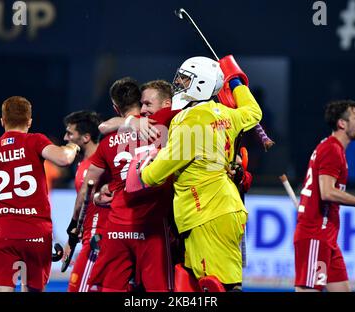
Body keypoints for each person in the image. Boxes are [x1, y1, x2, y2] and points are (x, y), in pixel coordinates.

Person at [139, 56, 262, 291]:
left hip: (207, 212)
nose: (178, 84)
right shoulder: (226, 114)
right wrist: (236, 83)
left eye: (185, 79)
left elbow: (154, 174)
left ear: (202, 83)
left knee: (216, 287)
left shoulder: (190, 121)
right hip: (222, 208)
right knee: (200, 283)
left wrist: (141, 170)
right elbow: (253, 112)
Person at [69, 77, 178, 292]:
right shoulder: (161, 125)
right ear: (140, 101)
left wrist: (97, 198)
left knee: (111, 288)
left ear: (115, 107)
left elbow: (87, 187)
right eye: (144, 104)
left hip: (118, 227)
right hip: (152, 226)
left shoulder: (107, 141)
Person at [0, 96, 80, 292]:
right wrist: (72, 146)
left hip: (3, 234)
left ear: (2, 121)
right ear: (29, 122)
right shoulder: (35, 140)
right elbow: (64, 159)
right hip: (37, 233)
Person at [293, 100, 355, 292]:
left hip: (328, 238)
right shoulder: (332, 149)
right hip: (316, 234)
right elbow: (328, 192)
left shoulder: (333, 148)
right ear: (342, 123)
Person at [61, 110, 111, 292]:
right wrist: (72, 238)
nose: (65, 138)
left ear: (86, 137)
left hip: (100, 237)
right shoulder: (81, 163)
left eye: (70, 133)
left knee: (77, 289)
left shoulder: (104, 161)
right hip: (88, 234)